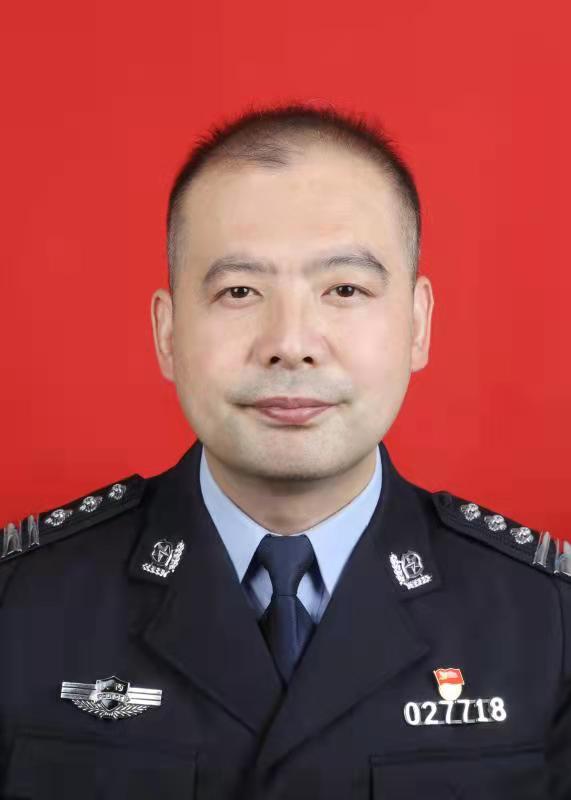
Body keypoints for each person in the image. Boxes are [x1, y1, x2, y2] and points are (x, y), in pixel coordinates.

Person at [1, 102, 570, 800]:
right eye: (239, 291)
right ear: (168, 333)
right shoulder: (22, 607)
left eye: (344, 289)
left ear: (417, 324)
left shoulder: (545, 623)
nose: (290, 343)